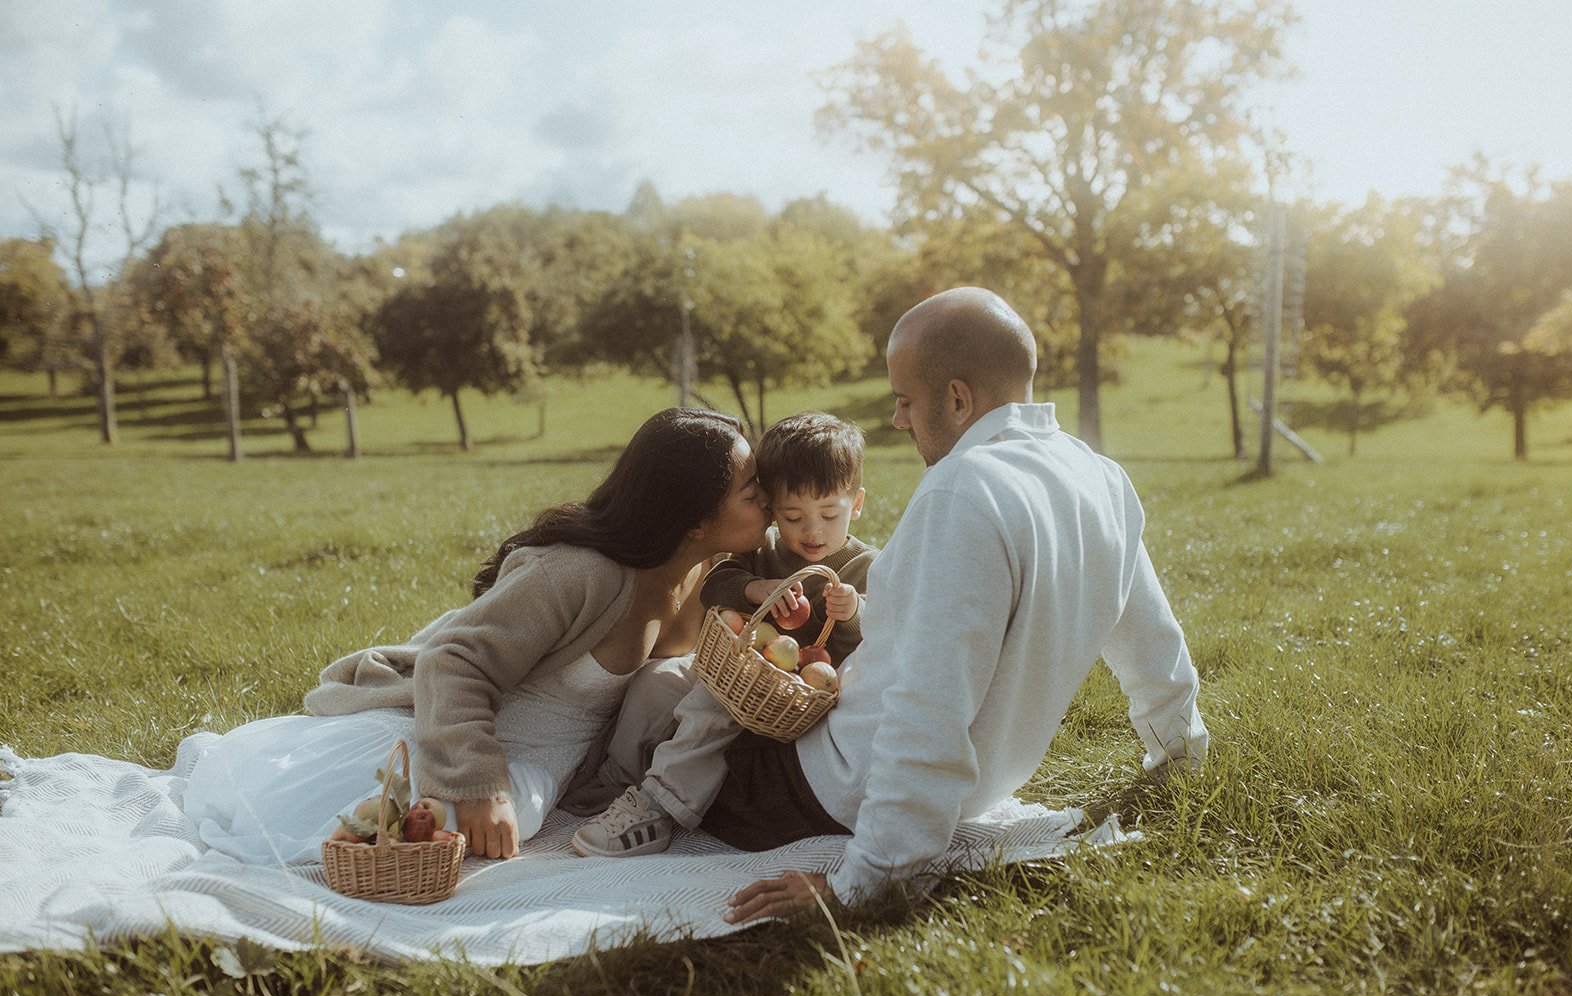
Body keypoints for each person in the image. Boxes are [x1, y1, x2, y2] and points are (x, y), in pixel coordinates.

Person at [710, 286, 1209, 922]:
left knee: (668, 727)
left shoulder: (961, 492)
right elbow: (1154, 649)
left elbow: (929, 704)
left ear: (956, 397)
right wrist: (1181, 758)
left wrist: (865, 881)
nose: (898, 420)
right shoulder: (1100, 478)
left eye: (905, 401)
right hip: (978, 788)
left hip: (833, 787)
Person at [179, 408, 772, 863]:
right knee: (361, 831)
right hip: (461, 735)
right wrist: (478, 786)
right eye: (751, 492)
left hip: (544, 770)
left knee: (466, 836)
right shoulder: (580, 572)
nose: (767, 500)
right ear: (695, 517)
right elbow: (454, 661)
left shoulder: (714, 577)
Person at [571, 411, 879, 857]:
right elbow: (716, 586)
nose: (812, 531)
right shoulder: (763, 551)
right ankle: (617, 779)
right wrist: (754, 588)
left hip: (788, 697)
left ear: (857, 503)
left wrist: (852, 611)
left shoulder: (862, 566)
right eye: (793, 516)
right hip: (730, 668)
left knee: (713, 705)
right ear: (772, 508)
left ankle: (661, 805)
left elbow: (878, 633)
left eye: (829, 514)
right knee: (658, 681)